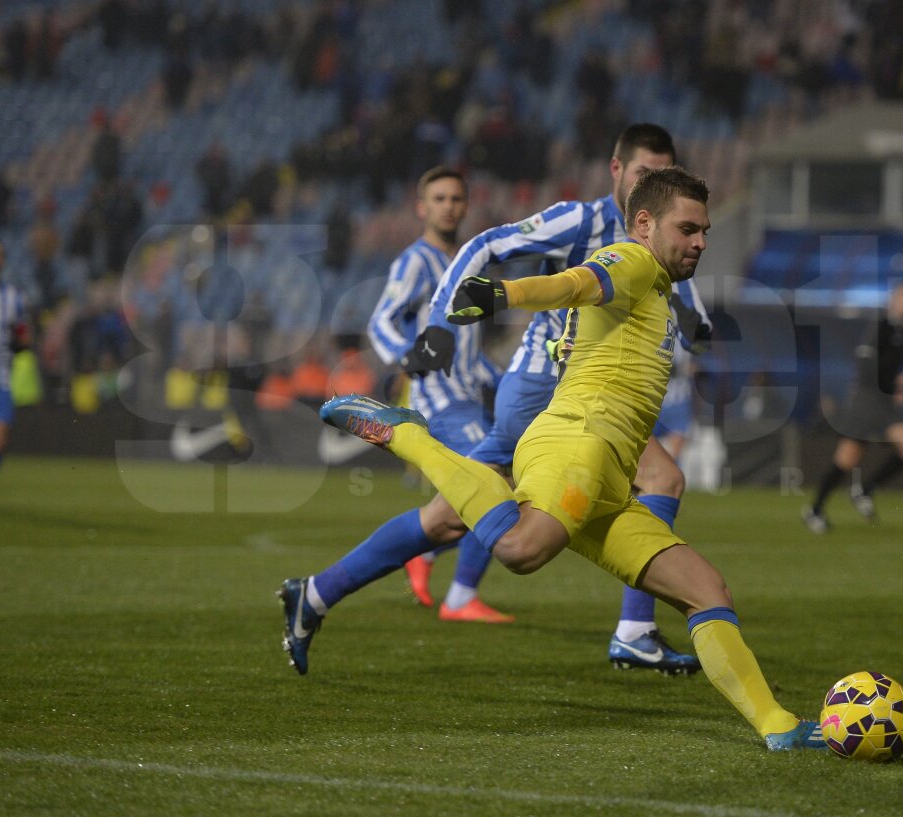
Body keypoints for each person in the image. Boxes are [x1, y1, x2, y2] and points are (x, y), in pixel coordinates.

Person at [317, 167, 825, 751]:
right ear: (643, 223)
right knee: (521, 548)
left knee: (708, 590)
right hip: (574, 444)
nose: (701, 242)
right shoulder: (631, 260)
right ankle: (406, 435)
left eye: (704, 230)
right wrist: (503, 294)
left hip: (610, 476)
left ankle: (778, 726)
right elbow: (575, 283)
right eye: (687, 229)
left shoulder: (658, 289)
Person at [278, 124, 709, 677]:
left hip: (567, 391)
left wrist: (700, 324)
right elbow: (485, 245)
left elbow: (683, 308)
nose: (652, 184)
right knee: (662, 479)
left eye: (662, 174)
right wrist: (439, 324)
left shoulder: (660, 242)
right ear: (617, 170)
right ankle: (634, 632)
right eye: (644, 173)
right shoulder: (582, 221)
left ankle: (315, 593)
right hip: (547, 388)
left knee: (446, 519)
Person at [281, 169, 509, 675]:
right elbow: (381, 320)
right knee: (492, 488)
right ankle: (460, 594)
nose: (449, 206)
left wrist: (501, 379)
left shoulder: (467, 264)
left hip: (469, 396)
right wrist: (408, 359)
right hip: (440, 399)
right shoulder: (416, 261)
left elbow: (466, 350)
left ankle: (328, 589)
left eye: (457, 198)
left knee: (459, 509)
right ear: (420, 207)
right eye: (439, 198)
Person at [803, 282, 903, 534]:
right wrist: (895, 384)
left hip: (883, 402)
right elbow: (867, 367)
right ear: (893, 299)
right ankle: (815, 509)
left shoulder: (902, 330)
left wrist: (896, 389)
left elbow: (888, 368)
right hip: (866, 400)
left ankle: (864, 490)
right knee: (847, 458)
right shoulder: (881, 326)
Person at [0, 237, 31, 484]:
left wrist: (20, 343)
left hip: (1, 379)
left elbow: (23, 333)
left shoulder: (13, 297)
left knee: (0, 438)